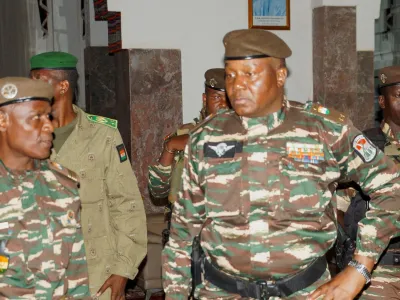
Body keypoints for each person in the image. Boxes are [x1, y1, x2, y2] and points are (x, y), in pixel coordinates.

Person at [162, 29, 400, 300]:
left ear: (280, 75)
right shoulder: (207, 137)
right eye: (231, 75)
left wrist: (360, 267)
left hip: (306, 292)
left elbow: (393, 187)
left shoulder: (325, 130)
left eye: (249, 74)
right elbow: (182, 234)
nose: (237, 85)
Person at [29, 51, 147, 300]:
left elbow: (127, 205)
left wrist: (123, 270)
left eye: (39, 80)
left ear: (62, 86)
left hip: (95, 278)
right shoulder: (23, 137)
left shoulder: (102, 135)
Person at [0, 77, 90, 299]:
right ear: (2, 121)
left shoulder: (62, 185)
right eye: (36, 118)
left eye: (48, 116)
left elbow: (76, 274)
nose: (49, 126)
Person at [336, 66, 400, 299]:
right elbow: (338, 209)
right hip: (380, 272)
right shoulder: (365, 147)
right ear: (382, 101)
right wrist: (352, 248)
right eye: (399, 95)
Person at [148, 68, 228, 245]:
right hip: (183, 239)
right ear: (205, 99)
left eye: (228, 99)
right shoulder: (183, 133)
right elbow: (157, 191)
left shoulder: (245, 138)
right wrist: (170, 147)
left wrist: (198, 144)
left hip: (225, 240)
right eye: (217, 98)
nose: (223, 105)